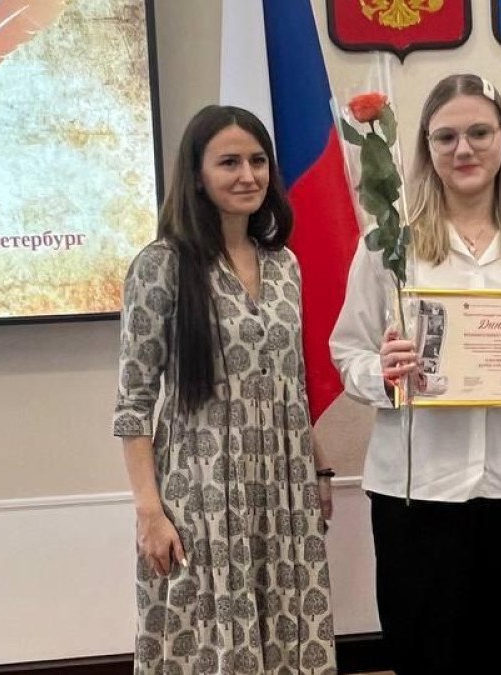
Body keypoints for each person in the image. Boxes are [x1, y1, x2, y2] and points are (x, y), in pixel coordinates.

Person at [330, 74, 501, 675]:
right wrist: (384, 373)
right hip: (418, 490)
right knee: (424, 653)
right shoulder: (389, 247)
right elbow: (348, 352)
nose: (463, 149)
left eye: (478, 133)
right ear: (426, 147)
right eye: (446, 137)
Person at [113, 105, 336, 675]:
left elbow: (290, 381)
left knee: (288, 630)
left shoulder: (284, 265)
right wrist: (149, 513)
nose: (248, 175)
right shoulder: (161, 265)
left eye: (258, 161)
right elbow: (133, 404)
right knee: (209, 644)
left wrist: (319, 469)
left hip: (284, 488)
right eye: (229, 162)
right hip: (204, 492)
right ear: (197, 175)